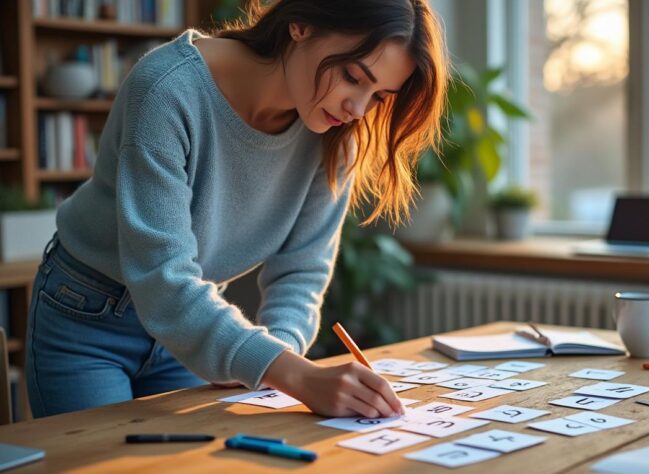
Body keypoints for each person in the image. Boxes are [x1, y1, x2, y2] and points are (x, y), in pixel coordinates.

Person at [25, 0, 447, 419]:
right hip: (88, 318)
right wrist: (296, 376)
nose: (357, 109)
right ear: (301, 25)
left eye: (378, 97)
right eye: (353, 76)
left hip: (194, 327)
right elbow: (163, 279)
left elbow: (301, 274)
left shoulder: (336, 137)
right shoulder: (166, 89)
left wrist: (269, 359)